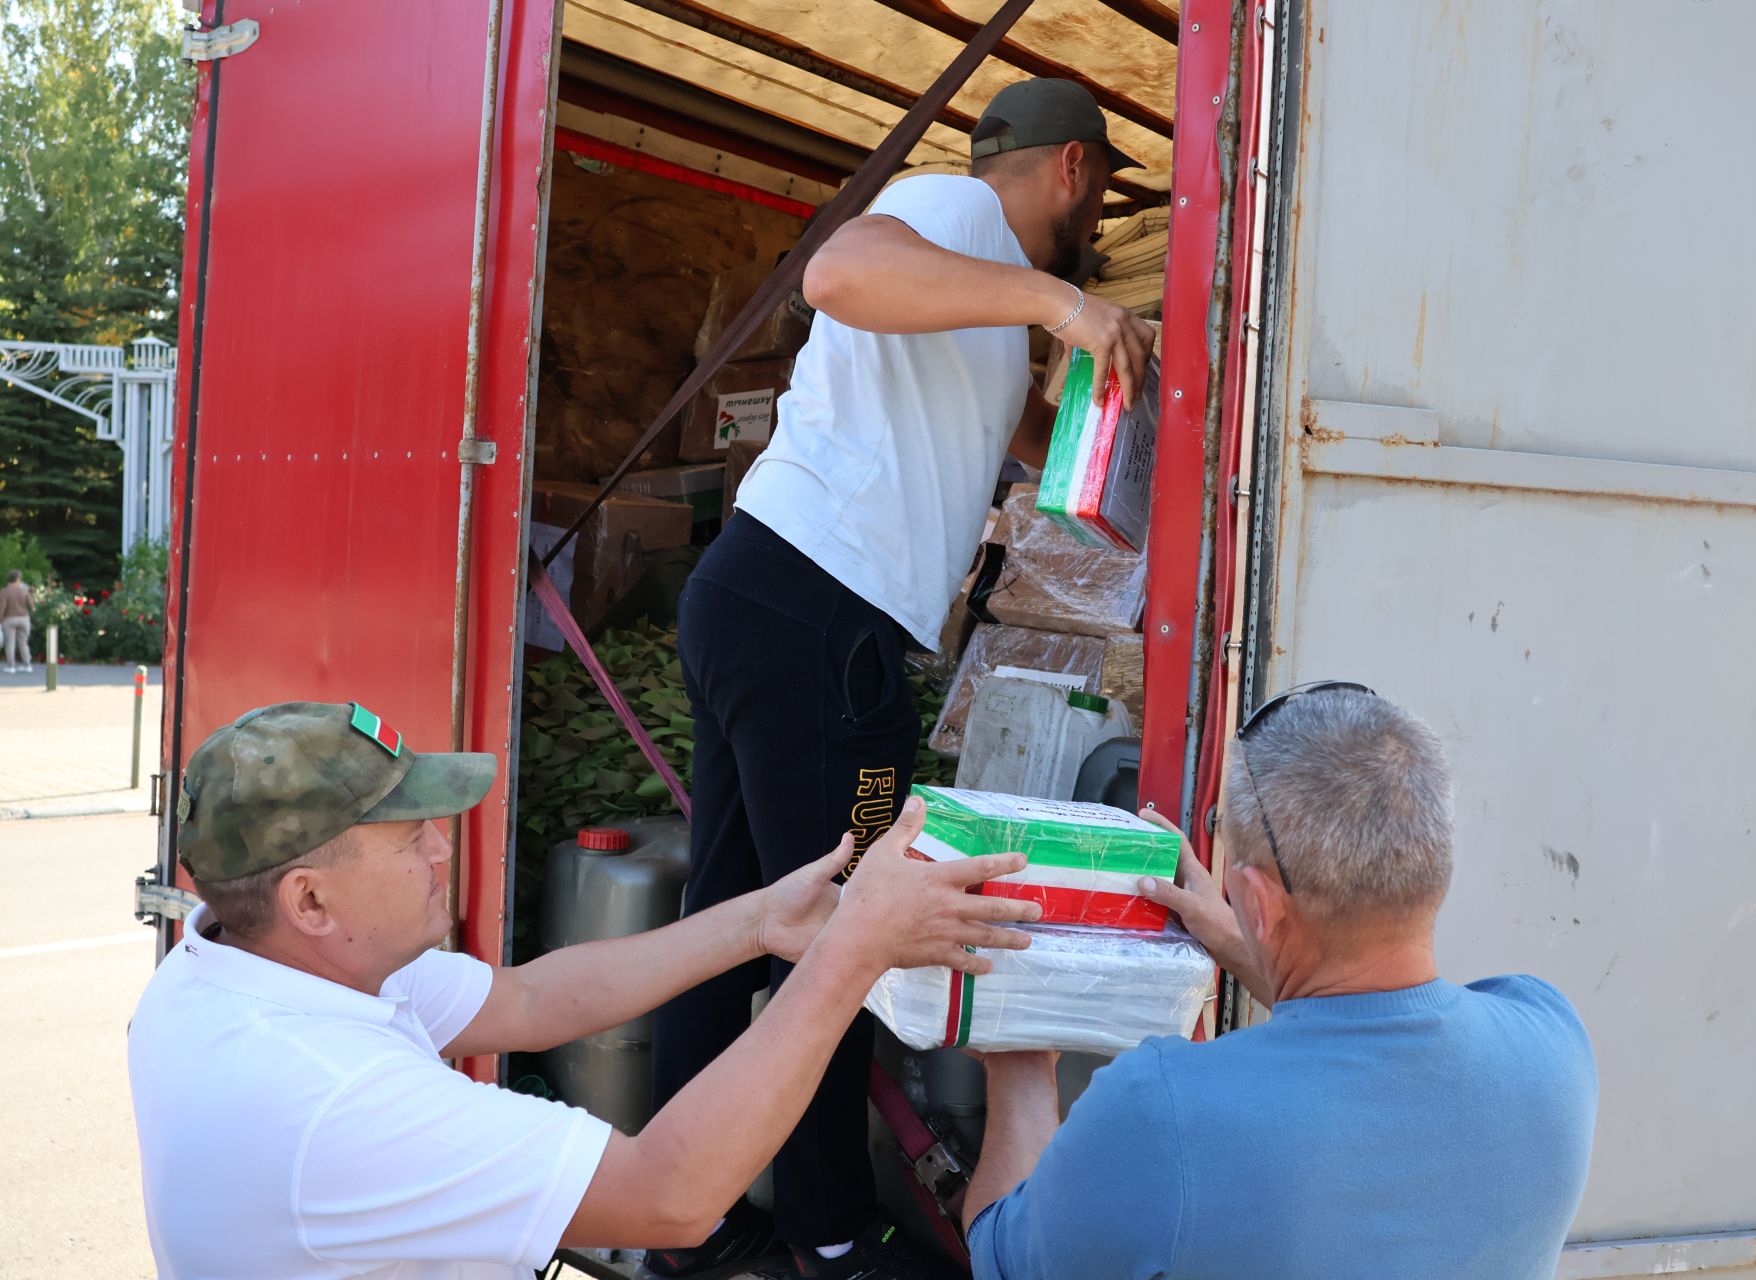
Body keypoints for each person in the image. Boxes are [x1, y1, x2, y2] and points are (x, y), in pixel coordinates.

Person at [649, 78, 1160, 1280]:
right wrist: (1066, 301)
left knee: (732, 925)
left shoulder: (975, 305)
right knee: (845, 932)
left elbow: (1025, 446)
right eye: (1099, 204)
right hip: (822, 621)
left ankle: (687, 1220)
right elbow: (837, 272)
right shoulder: (964, 217)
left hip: (759, 598)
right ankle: (834, 1234)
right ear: (1075, 171)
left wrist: (1097, 426)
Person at [127, 700, 1040, 1279]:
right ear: (311, 898)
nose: (445, 850)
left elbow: (529, 1001)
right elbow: (671, 1193)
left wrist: (761, 921)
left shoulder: (225, 966)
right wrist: (855, 951)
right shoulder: (333, 1100)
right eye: (410, 840)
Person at [962, 684, 1599, 1280]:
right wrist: (1246, 942)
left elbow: (1000, 1257)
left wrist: (1018, 1052)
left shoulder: (1163, 1113)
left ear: (1262, 905)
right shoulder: (1552, 1040)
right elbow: (1375, 1025)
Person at [1, 569, 31, 673]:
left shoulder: (4, 591)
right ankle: (27, 665)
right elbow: (31, 605)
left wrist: (0, 619)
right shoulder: (24, 590)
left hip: (9, 619)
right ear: (18, 579)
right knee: (23, 643)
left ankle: (11, 666)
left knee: (10, 643)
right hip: (24, 618)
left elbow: (2, 607)